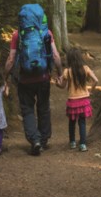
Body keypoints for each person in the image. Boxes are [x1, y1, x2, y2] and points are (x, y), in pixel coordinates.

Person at [5, 23, 62, 155]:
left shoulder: (17, 34)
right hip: (43, 78)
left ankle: (35, 141)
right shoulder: (46, 32)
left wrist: (5, 77)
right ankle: (43, 139)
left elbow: (11, 59)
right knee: (43, 107)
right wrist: (60, 73)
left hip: (25, 80)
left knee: (27, 110)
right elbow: (56, 56)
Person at [55, 47, 99, 152]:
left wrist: (57, 84)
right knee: (82, 122)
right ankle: (83, 144)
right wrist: (90, 91)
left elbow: (63, 86)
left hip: (72, 101)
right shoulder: (86, 68)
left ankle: (72, 142)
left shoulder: (67, 71)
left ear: (69, 59)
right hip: (84, 100)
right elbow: (96, 80)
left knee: (72, 122)